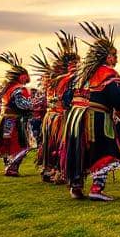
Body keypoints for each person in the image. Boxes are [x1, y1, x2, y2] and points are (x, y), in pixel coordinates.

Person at [61, 22, 120, 201]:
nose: (116, 60)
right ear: (107, 57)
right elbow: (119, 100)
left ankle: (76, 187)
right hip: (96, 118)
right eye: (114, 56)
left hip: (76, 118)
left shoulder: (80, 75)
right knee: (104, 149)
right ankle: (96, 188)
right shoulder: (107, 73)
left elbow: (67, 98)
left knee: (79, 150)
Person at [32, 31, 78, 184]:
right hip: (61, 117)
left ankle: (48, 170)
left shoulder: (52, 79)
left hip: (50, 117)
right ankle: (58, 172)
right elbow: (68, 99)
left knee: (48, 143)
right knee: (60, 144)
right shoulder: (69, 79)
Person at [0, 52, 34, 176]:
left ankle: (8, 166)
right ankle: (12, 167)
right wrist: (34, 104)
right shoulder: (19, 88)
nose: (27, 78)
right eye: (25, 76)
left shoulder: (7, 87)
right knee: (23, 144)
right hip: (16, 121)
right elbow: (21, 104)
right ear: (21, 76)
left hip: (5, 119)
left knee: (7, 143)